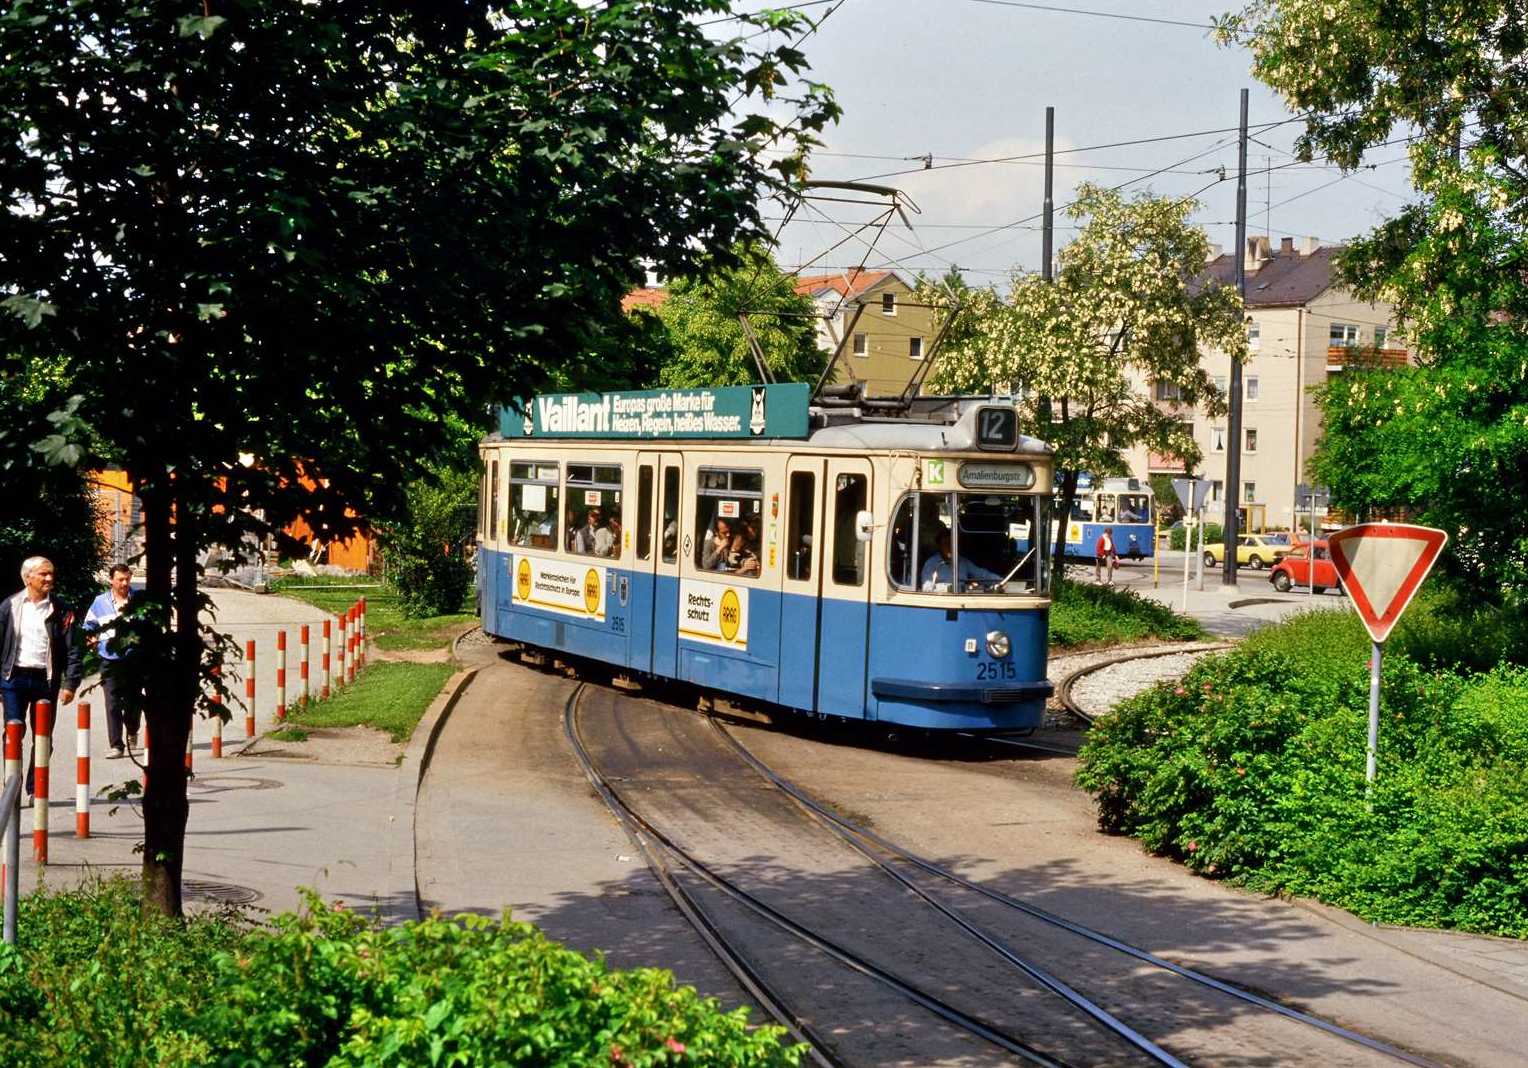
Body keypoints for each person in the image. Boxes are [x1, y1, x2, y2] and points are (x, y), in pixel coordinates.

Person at [0, 556, 84, 804]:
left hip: (45, 681)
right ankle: (12, 786)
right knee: (13, 731)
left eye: (51, 573)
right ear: (28, 577)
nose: (49, 578)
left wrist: (70, 683)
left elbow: (74, 648)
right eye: (43, 574)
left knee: (43, 737)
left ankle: (34, 788)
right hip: (13, 678)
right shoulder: (10, 606)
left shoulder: (62, 608)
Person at [84, 564, 140, 758]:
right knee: (112, 702)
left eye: (127, 579)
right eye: (120, 579)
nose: (124, 583)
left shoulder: (138, 600)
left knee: (133, 701)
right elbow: (89, 624)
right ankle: (116, 745)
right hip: (109, 658)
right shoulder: (100, 602)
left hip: (134, 658)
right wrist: (90, 636)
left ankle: (132, 729)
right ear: (111, 580)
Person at [920, 528, 1000, 591]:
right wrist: (947, 588)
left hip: (962, 600)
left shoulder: (963, 562)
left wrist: (1001, 582)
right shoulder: (931, 563)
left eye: (953, 544)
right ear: (939, 546)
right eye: (946, 544)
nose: (950, 547)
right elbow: (926, 587)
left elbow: (982, 575)